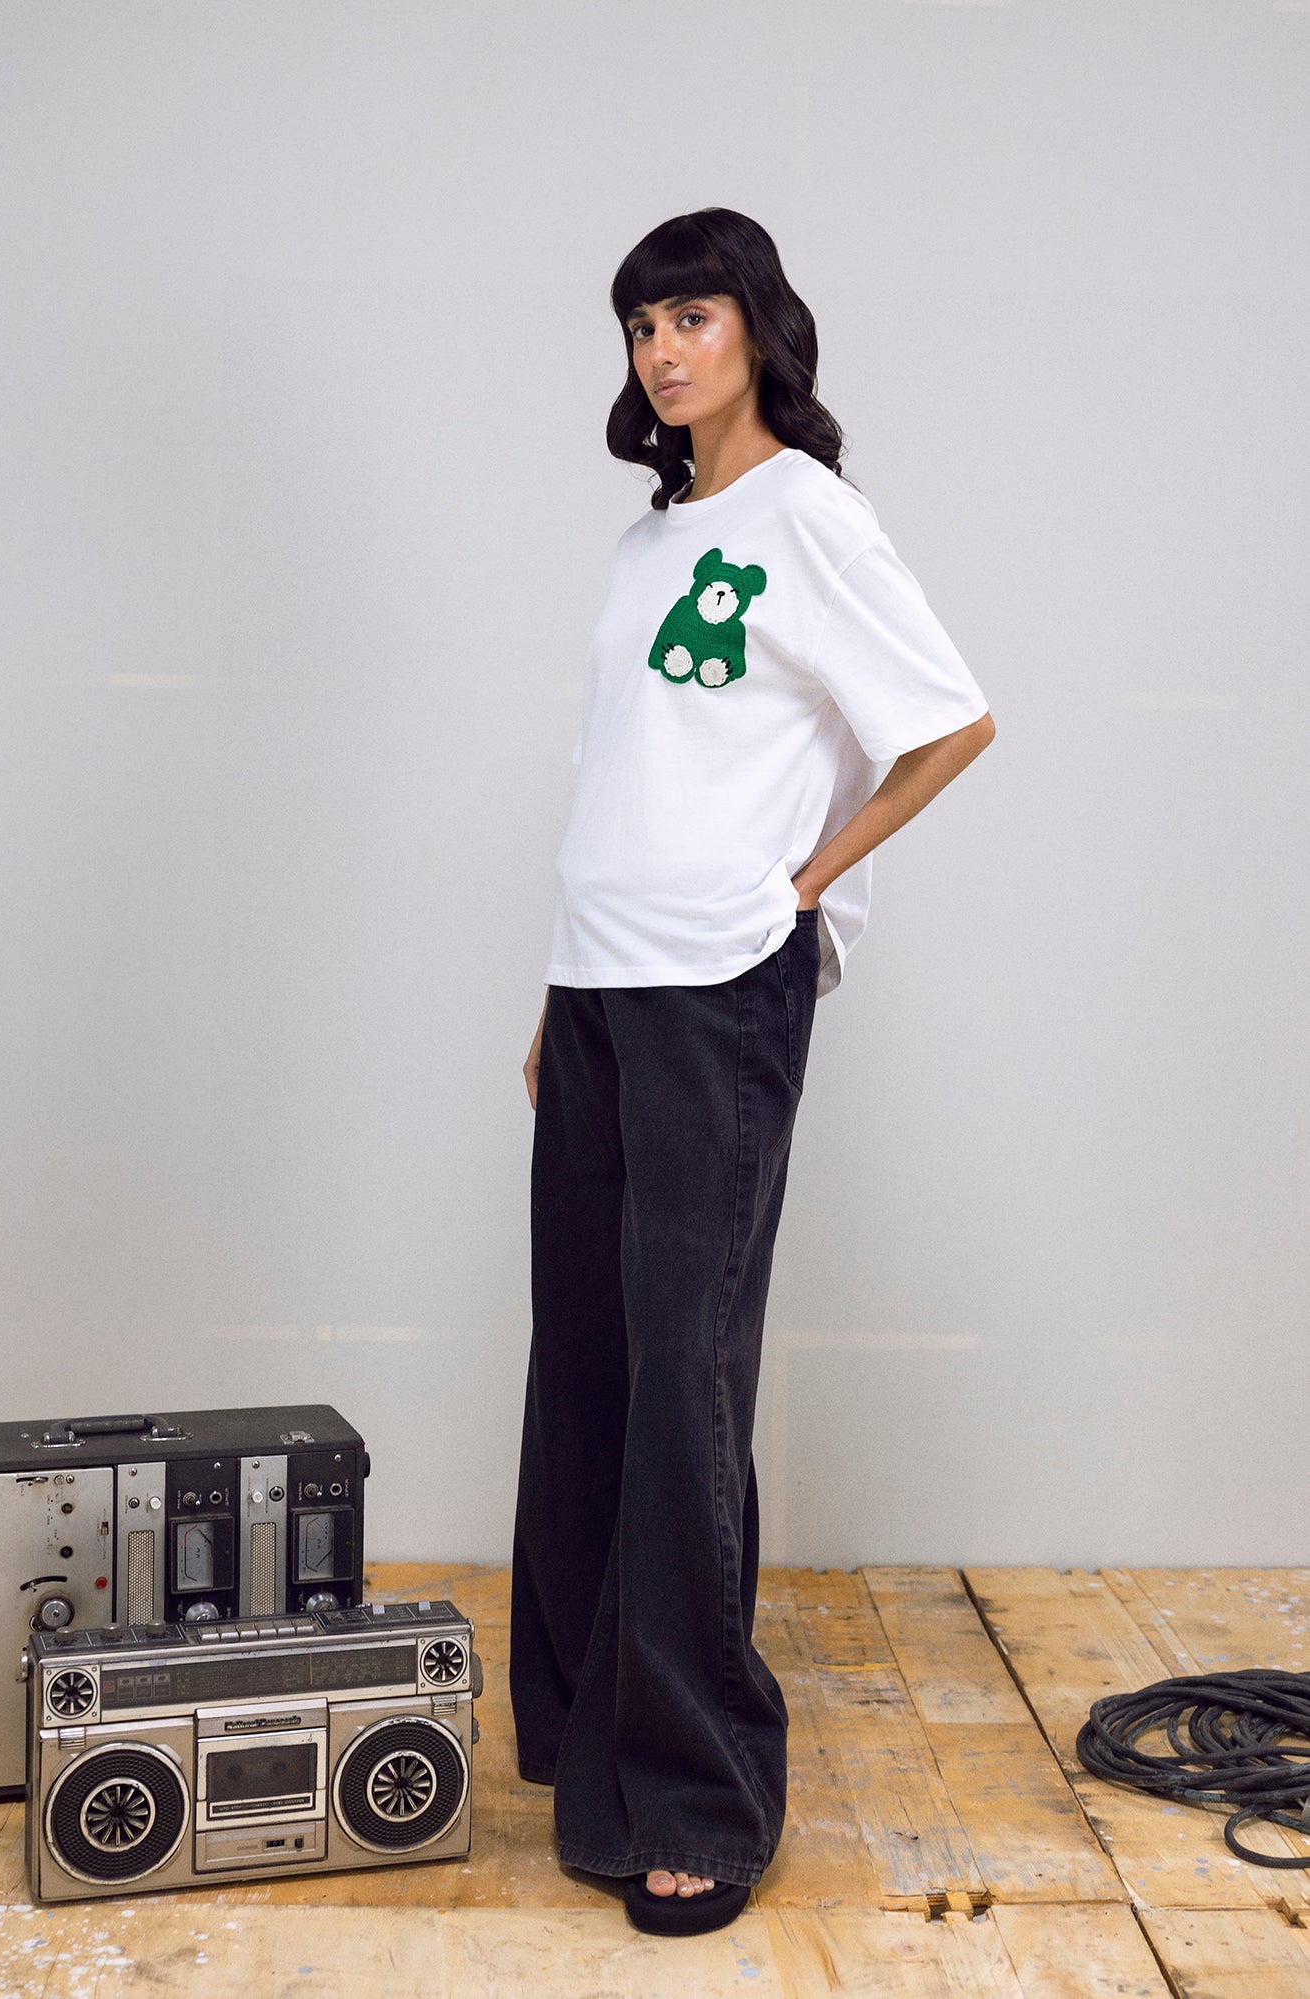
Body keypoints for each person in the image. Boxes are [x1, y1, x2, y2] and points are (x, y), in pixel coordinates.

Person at [508, 207, 995, 1938]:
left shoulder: (809, 516)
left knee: (684, 1382)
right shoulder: (648, 541)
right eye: (640, 324)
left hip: (716, 988)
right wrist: (557, 991)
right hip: (601, 983)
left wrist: (795, 893)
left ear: (758, 331)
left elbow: (946, 721)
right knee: (585, 1363)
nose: (661, 349)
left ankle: (699, 1796)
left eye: (691, 316)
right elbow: (623, 775)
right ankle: (581, 1733)